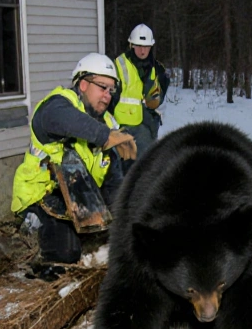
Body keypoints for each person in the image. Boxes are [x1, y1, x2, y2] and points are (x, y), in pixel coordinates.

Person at [11, 53, 136, 274]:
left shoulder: (107, 123)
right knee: (65, 254)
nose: (107, 96)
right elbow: (62, 119)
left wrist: (127, 220)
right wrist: (106, 136)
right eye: (102, 87)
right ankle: (29, 232)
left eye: (111, 90)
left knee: (117, 241)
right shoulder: (58, 105)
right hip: (41, 196)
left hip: (78, 202)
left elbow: (113, 183)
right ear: (84, 84)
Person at [111, 24, 169, 162]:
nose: (143, 50)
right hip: (121, 125)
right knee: (120, 166)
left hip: (145, 125)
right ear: (131, 45)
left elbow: (159, 102)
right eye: (139, 46)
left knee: (147, 164)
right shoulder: (119, 65)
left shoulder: (157, 69)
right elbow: (109, 97)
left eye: (146, 46)